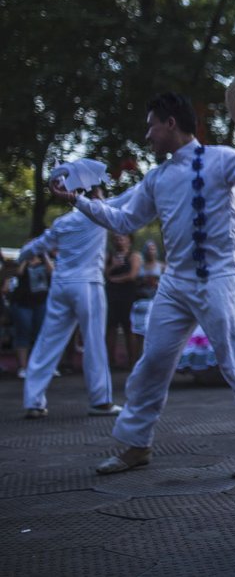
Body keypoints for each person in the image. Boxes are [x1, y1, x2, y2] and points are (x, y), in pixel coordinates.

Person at [52, 92, 235, 477]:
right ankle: (136, 445)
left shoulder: (221, 159)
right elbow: (123, 221)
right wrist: (78, 201)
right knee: (152, 362)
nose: (147, 135)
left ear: (169, 123)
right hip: (175, 283)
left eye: (151, 126)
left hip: (219, 278)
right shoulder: (157, 179)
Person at [20, 166, 126, 419]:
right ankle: (100, 401)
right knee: (94, 342)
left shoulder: (62, 222)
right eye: (99, 189)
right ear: (91, 192)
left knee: (48, 341)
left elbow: (36, 246)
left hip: (61, 285)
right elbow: (130, 197)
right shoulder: (99, 212)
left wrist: (19, 258)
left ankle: (33, 401)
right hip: (87, 284)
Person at [9, 249, 52, 379]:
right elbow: (18, 273)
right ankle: (23, 367)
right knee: (23, 333)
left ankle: (40, 366)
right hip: (23, 303)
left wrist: (45, 256)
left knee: (41, 333)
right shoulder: (21, 261)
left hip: (41, 302)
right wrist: (26, 260)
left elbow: (52, 272)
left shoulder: (44, 261)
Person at [105, 233, 142, 369]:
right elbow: (104, 274)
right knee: (111, 328)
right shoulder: (110, 256)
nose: (118, 240)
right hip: (111, 296)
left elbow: (132, 275)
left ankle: (133, 362)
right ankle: (109, 361)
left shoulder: (134, 256)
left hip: (128, 295)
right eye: (116, 238)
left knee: (129, 328)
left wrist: (114, 279)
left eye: (122, 238)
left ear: (129, 240)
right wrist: (113, 266)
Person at [130, 239, 164, 358]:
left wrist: (158, 283)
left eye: (153, 248)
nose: (151, 251)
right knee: (139, 331)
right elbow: (133, 280)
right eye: (148, 248)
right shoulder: (140, 267)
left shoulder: (162, 266)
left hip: (156, 302)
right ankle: (137, 359)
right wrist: (142, 281)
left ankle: (155, 357)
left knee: (156, 331)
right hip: (141, 302)